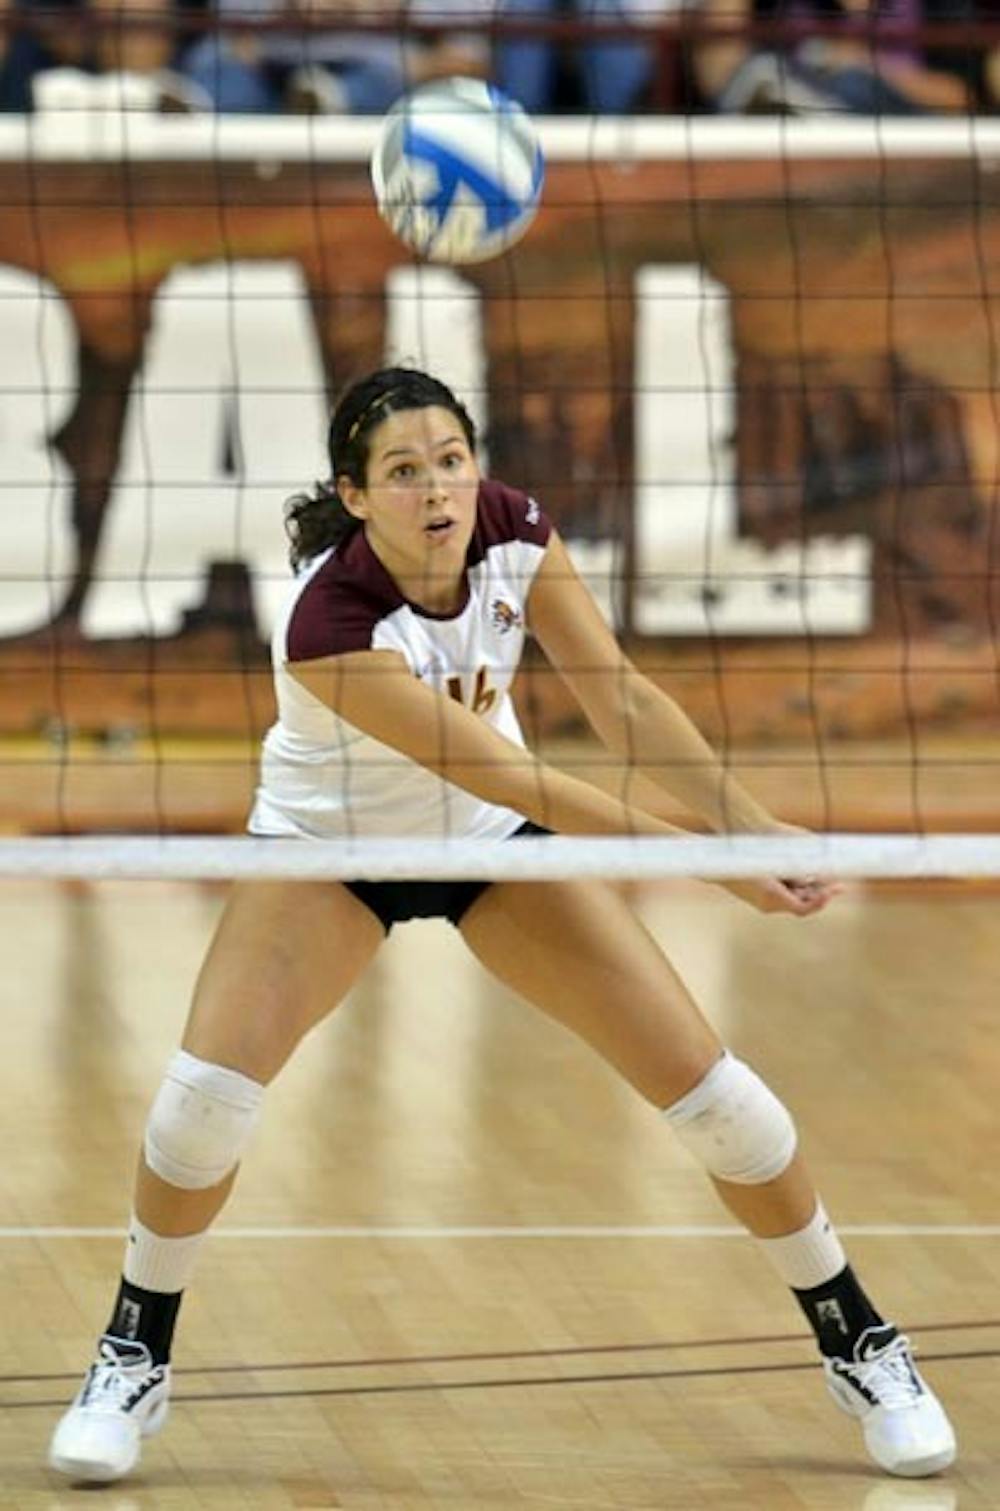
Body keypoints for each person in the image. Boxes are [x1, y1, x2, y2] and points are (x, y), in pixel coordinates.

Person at [48, 366, 956, 1485]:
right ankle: (134, 1344)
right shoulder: (328, 620)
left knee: (724, 1104)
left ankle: (857, 1333)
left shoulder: (513, 531)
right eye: (401, 469)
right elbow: (521, 776)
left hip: (488, 845)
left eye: (450, 458)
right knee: (199, 1108)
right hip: (333, 853)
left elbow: (618, 696)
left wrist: (751, 825)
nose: (435, 486)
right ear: (356, 494)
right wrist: (705, 864)